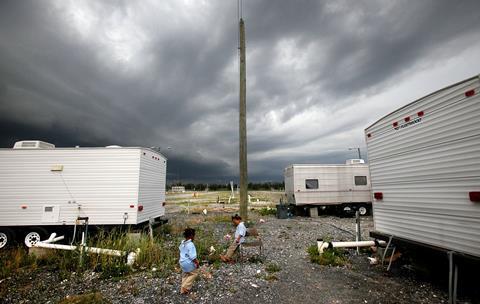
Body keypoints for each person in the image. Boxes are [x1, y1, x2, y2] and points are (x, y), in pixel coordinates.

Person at [179, 228, 199, 294]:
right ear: (191, 236)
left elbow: (181, 250)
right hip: (188, 263)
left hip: (182, 262)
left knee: (185, 275)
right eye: (194, 235)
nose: (194, 237)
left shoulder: (182, 243)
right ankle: (185, 287)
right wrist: (197, 262)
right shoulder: (191, 244)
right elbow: (192, 256)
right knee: (194, 273)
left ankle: (182, 290)